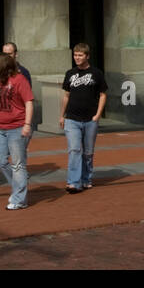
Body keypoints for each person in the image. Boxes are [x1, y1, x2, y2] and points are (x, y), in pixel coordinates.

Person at [0, 52, 33, 210]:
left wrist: (27, 124)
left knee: (18, 164)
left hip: (17, 127)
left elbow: (29, 103)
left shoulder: (20, 80)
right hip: (1, 127)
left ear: (2, 65)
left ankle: (20, 199)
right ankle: (20, 187)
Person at [58, 43, 107, 193]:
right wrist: (62, 115)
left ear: (87, 56)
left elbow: (103, 95)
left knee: (88, 152)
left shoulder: (96, 73)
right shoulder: (70, 73)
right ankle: (73, 182)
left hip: (90, 119)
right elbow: (66, 95)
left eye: (80, 55)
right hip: (72, 119)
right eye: (75, 55)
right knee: (74, 149)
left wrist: (98, 115)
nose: (77, 58)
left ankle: (86, 179)